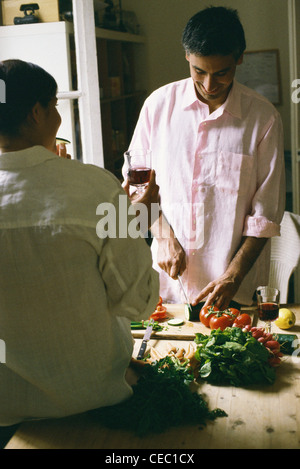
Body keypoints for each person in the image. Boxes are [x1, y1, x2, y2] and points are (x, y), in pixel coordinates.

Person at [0, 59, 159, 426]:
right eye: (55, 105)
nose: (58, 116)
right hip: (91, 404)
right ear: (37, 113)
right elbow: (138, 302)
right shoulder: (96, 188)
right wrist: (137, 218)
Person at [124, 6, 285, 310]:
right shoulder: (157, 107)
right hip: (167, 285)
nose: (210, 85)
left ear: (239, 58)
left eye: (221, 73)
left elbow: (265, 217)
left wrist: (233, 276)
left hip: (233, 291)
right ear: (187, 56)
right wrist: (163, 236)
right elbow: (136, 186)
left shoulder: (263, 118)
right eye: (199, 71)